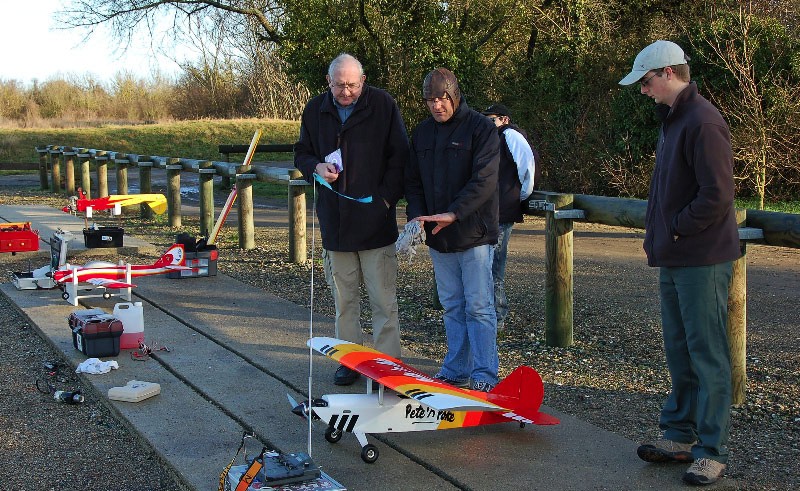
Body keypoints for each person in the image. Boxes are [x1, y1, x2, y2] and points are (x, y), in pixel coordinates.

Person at [619, 40, 740, 485]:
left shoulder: (702, 121)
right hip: (677, 255)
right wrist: (667, 233)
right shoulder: (675, 120)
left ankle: (711, 449)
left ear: (669, 73)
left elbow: (718, 194)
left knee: (707, 354)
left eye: (647, 82)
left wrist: (675, 228)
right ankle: (679, 434)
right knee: (680, 349)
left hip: (700, 258)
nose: (644, 90)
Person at [294, 53, 409, 385]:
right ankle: (351, 360)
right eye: (339, 85)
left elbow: (400, 157)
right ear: (328, 82)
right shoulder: (315, 109)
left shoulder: (383, 105)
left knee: (383, 300)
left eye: (352, 85)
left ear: (363, 80)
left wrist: (385, 201)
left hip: (376, 222)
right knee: (344, 301)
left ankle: (389, 367)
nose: (345, 92)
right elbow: (301, 150)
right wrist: (315, 166)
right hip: (336, 223)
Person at [405, 68, 501, 392]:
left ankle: (485, 375)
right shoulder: (421, 134)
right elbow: (413, 182)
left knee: (479, 306)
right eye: (430, 100)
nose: (436, 106)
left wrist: (455, 213)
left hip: (473, 234)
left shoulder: (481, 128)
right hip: (438, 238)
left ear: (454, 95)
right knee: (452, 306)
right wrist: (417, 217)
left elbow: (485, 180)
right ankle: (455, 369)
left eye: (442, 99)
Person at [481, 103, 536, 331]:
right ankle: (489, 316)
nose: (488, 123)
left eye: (491, 119)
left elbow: (527, 169)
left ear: (504, 119)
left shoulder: (510, 135)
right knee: (484, 264)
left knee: (494, 267)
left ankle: (497, 316)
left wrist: (517, 197)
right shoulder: (491, 138)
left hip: (502, 209)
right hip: (490, 209)